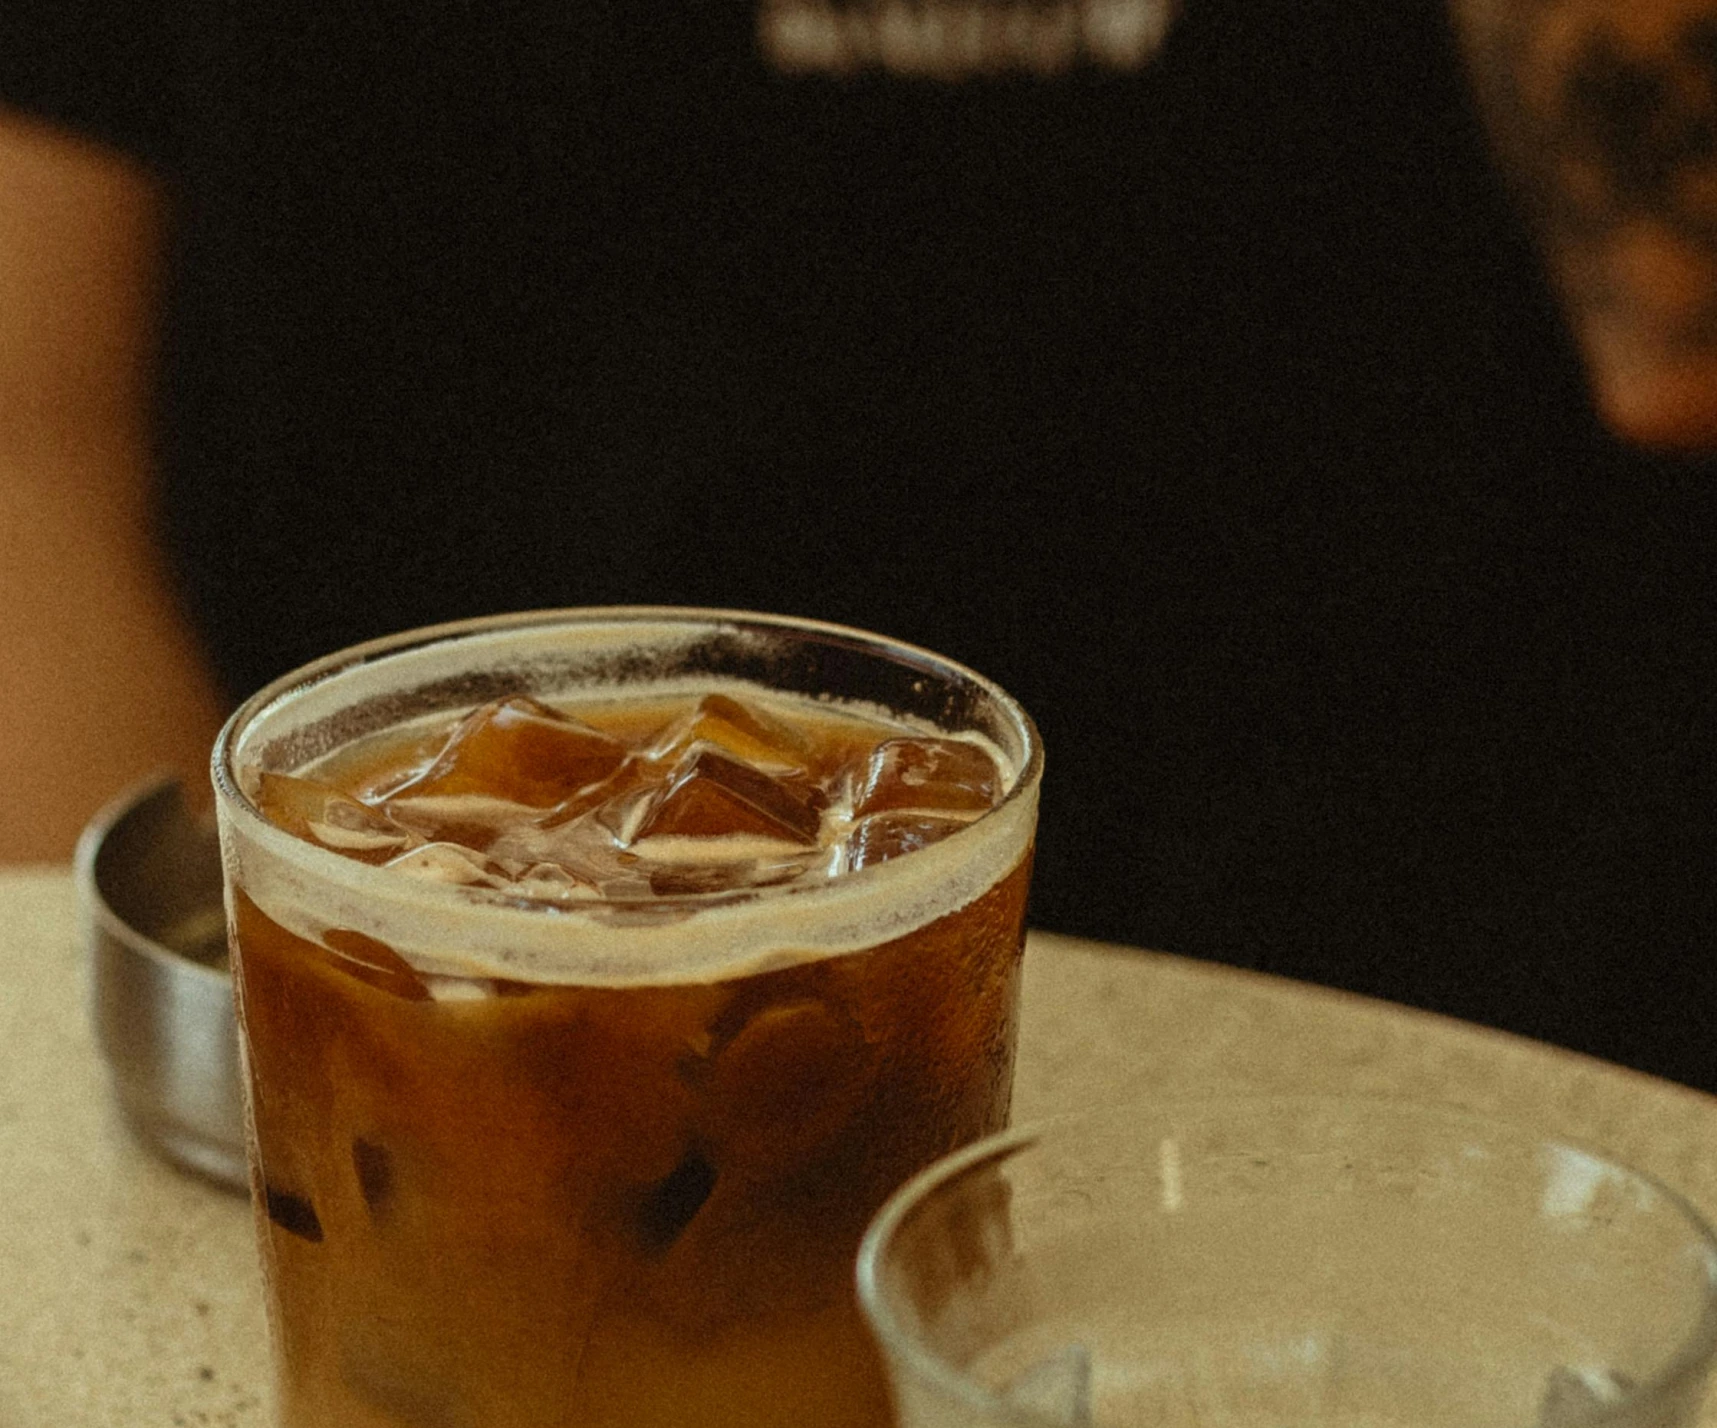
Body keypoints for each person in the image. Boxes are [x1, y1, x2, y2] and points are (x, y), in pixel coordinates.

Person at [3, 1, 1717, 1086]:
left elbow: (1674, 321)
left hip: (1467, 1064)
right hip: (487, 1050)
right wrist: (243, 1097)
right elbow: (27, 461)